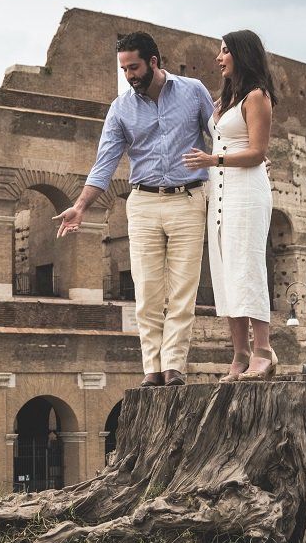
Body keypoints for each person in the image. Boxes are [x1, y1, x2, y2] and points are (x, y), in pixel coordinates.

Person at [55, 31, 214, 387]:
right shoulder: (121, 108)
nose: (129, 76)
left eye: (134, 67)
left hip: (189, 199)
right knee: (147, 290)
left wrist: (246, 160)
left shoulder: (193, 91)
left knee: (183, 289)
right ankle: (151, 368)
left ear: (154, 62)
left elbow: (219, 137)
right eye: (124, 69)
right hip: (141, 201)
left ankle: (173, 365)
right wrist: (80, 206)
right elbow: (105, 162)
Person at [183, 30, 278, 381]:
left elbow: (257, 153)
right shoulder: (223, 101)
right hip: (221, 192)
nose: (219, 58)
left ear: (241, 54)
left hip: (247, 191)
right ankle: (238, 353)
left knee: (248, 266)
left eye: (225, 51)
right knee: (224, 271)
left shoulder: (257, 97)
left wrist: (212, 159)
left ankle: (263, 350)